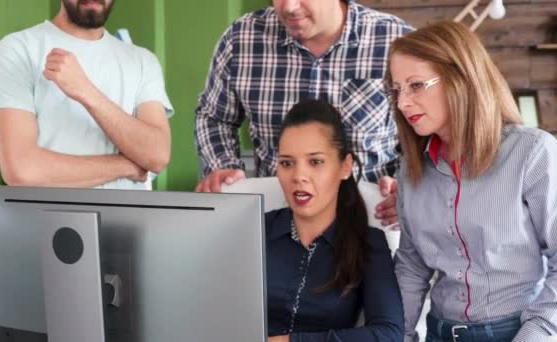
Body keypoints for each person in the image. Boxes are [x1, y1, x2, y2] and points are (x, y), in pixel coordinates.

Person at [389, 21, 557, 341]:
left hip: (519, 332)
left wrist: (536, 333)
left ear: (461, 78)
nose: (402, 103)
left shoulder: (532, 153)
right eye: (397, 89)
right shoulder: (411, 170)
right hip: (440, 333)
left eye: (416, 85)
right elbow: (411, 270)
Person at [194, 0, 412, 225]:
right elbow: (214, 117)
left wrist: (409, 188)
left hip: (373, 222)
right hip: (276, 223)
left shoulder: (396, 41)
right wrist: (224, 167)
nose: (289, 7)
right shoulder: (241, 39)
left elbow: (429, 135)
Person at [0, 0, 173, 189]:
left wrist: (86, 91)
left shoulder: (143, 61)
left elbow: (157, 155)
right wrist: (126, 166)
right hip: (50, 218)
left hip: (128, 219)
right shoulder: (17, 49)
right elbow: (21, 170)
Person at [265, 99, 403, 341]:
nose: (299, 176)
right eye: (287, 163)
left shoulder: (368, 243)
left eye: (315, 162)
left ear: (345, 166)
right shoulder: (253, 230)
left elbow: (388, 334)